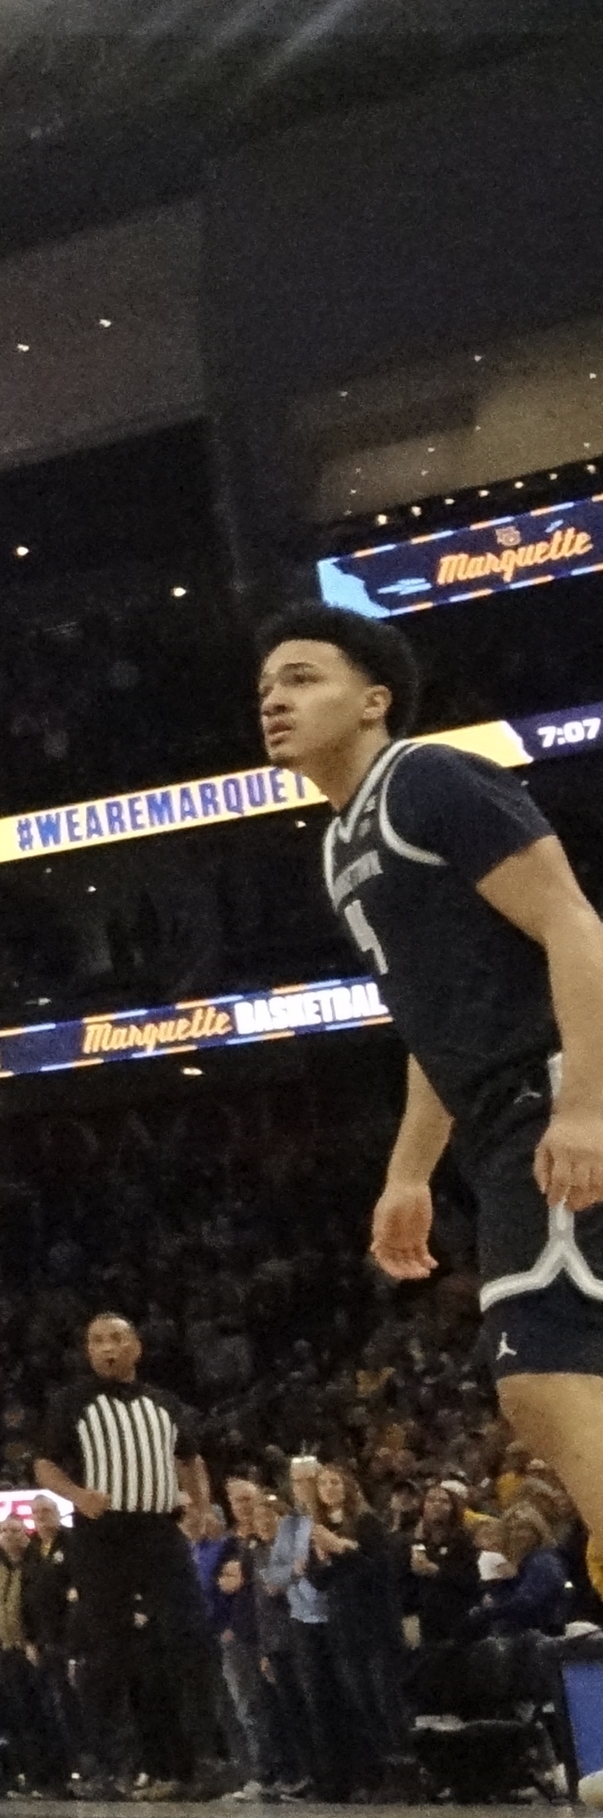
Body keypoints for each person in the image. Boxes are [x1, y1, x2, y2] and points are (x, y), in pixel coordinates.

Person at [257, 608, 603, 1508]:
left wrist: (585, 1109)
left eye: (301, 678)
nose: (274, 701)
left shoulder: (427, 777)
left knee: (542, 1368)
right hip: (497, 1120)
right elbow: (430, 1022)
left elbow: (575, 925)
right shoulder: (340, 845)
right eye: (265, 688)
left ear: (374, 700)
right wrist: (408, 1173)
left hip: (551, 1088)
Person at [33, 1315, 225, 1798]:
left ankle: (196, 1761)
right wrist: (76, 1495)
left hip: (159, 1530)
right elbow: (43, 1463)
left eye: (115, 1338)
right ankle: (103, 1765)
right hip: (103, 1533)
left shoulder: (164, 1403)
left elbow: (191, 1458)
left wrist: (199, 1508)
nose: (106, 1348)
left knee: (188, 1635)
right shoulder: (71, 1401)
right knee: (107, 1649)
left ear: (136, 1347)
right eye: (96, 1341)